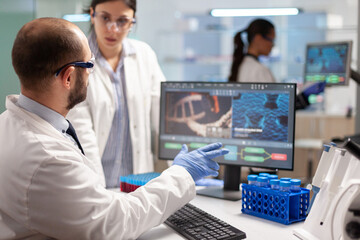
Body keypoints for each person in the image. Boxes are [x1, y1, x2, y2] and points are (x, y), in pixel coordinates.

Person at [0, 17, 229, 239]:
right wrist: (182, 173)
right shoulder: (48, 157)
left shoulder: (9, 123)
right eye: (89, 65)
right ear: (68, 77)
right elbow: (116, 222)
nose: (91, 73)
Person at [66, 0, 166, 189]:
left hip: (137, 183)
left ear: (132, 21)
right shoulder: (75, 60)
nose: (113, 29)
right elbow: (82, 133)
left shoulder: (144, 55)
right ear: (92, 15)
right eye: (105, 18)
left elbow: (162, 115)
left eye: (122, 21)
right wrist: (97, 191)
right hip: (96, 183)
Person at [228, 18, 326, 110]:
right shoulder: (259, 70)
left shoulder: (243, 65)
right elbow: (277, 107)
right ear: (258, 38)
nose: (273, 45)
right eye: (271, 40)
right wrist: (303, 97)